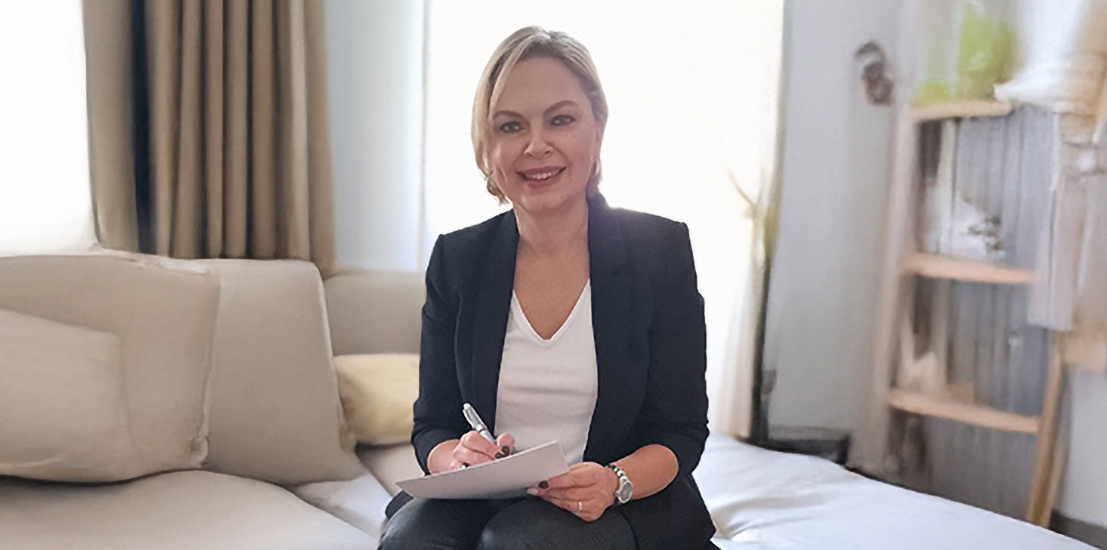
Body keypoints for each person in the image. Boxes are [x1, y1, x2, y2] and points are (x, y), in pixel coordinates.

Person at [379, 26, 715, 550]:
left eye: (560, 120)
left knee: (519, 542)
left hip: (620, 499)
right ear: (487, 146)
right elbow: (433, 424)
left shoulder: (659, 252)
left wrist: (614, 481)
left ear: (597, 128)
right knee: (412, 541)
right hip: (483, 497)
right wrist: (456, 460)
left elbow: (681, 431)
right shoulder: (457, 259)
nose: (536, 146)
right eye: (510, 126)